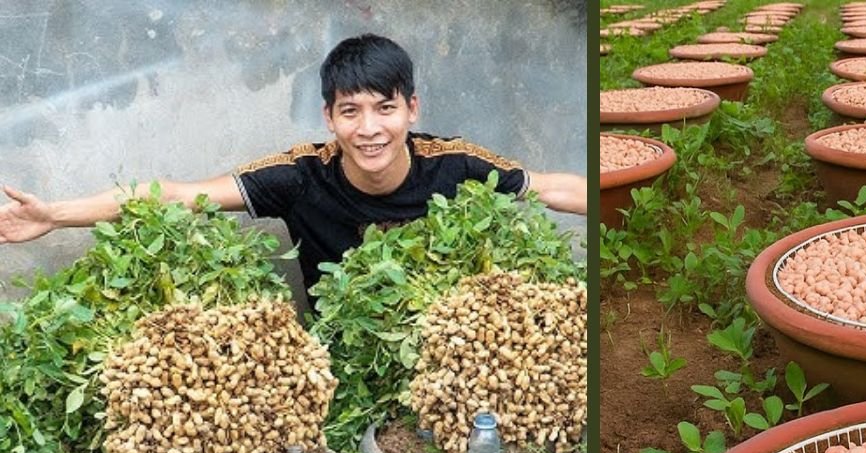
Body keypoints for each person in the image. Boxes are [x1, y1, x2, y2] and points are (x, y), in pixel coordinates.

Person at [0, 34, 586, 294]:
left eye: (385, 108)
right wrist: (55, 215)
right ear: (329, 118)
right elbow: (177, 195)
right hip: (344, 351)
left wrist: (623, 208)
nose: (369, 129)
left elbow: (553, 186)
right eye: (350, 111)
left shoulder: (455, 164)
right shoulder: (301, 174)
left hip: (448, 345)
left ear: (412, 109)